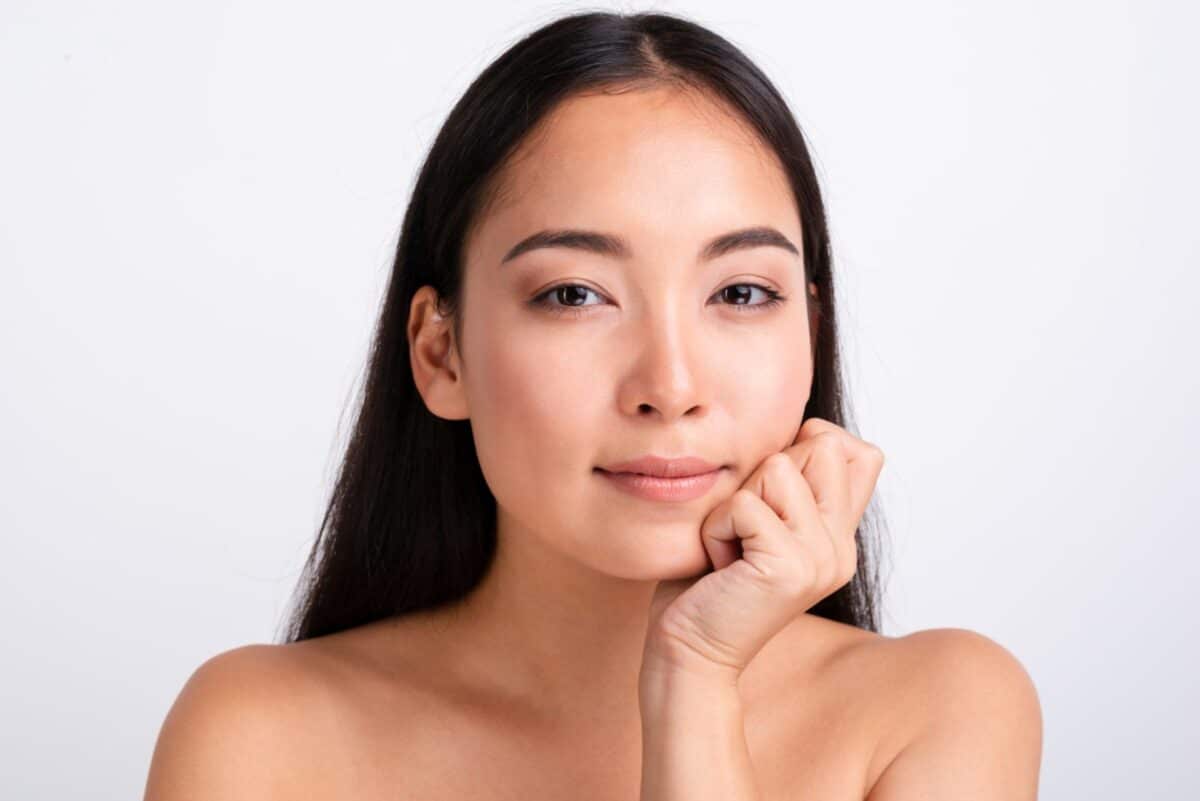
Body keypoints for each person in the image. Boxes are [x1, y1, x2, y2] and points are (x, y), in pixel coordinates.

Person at [143, 10, 1042, 800]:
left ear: (810, 327)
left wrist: (695, 676)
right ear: (440, 351)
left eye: (739, 293)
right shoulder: (261, 735)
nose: (672, 386)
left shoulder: (938, 709)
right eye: (575, 294)